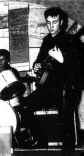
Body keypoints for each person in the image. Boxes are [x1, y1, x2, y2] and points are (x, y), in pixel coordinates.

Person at [19, 7, 81, 151]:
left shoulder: (70, 40)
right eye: (48, 23)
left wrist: (62, 60)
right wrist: (36, 66)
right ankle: (41, 140)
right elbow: (39, 60)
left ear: (62, 22)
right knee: (25, 107)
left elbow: (78, 69)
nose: (51, 26)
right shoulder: (47, 40)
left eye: (54, 22)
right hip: (48, 87)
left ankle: (68, 152)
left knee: (66, 122)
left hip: (67, 87)